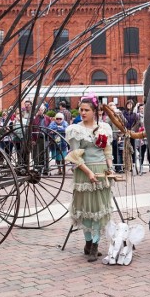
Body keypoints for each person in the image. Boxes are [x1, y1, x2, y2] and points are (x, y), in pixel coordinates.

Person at [65, 95, 115, 262]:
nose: (83, 112)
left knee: (99, 210)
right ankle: (88, 243)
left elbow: (107, 151)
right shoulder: (75, 130)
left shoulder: (104, 128)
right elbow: (75, 156)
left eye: (86, 110)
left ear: (95, 112)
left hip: (101, 171)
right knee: (87, 209)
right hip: (85, 171)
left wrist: (110, 168)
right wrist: (88, 173)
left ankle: (95, 245)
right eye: (81, 109)